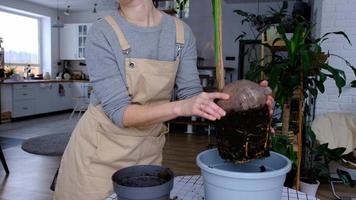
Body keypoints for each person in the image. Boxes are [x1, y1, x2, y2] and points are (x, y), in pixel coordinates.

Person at [53, 0, 274, 199]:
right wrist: (182, 106)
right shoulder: (101, 32)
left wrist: (246, 108)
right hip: (98, 156)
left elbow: (191, 95)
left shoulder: (180, 33)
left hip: (148, 152)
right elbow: (121, 112)